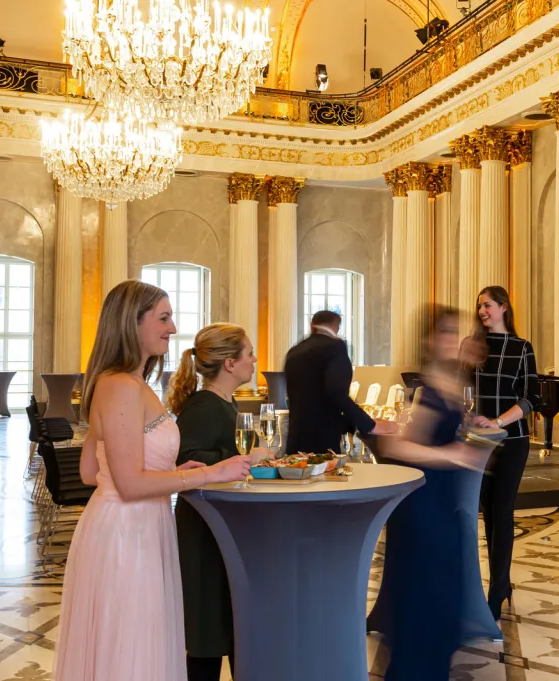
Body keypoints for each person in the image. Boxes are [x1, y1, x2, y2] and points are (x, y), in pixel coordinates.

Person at [53, 281, 250, 681]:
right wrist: (211, 472)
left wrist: (174, 472)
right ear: (132, 322)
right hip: (127, 535)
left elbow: (91, 472)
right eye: (163, 318)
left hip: (132, 526)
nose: (172, 328)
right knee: (131, 651)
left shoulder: (120, 382)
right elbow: (127, 485)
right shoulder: (123, 386)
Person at [376, 305, 493, 681]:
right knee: (427, 597)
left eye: (457, 333)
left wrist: (465, 434)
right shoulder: (427, 387)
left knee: (444, 597)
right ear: (430, 339)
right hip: (423, 507)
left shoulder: (451, 380)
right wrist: (452, 454)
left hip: (442, 503)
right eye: (447, 333)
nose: (454, 341)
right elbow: (397, 447)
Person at [166, 323, 266, 681]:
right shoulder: (204, 406)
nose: (254, 359)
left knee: (227, 623)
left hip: (220, 529)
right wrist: (246, 459)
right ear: (230, 363)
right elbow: (186, 460)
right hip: (203, 533)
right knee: (206, 634)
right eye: (249, 353)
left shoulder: (224, 402)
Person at [466, 285, 541, 619]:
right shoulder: (471, 346)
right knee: (488, 511)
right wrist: (469, 416)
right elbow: (462, 391)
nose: (482, 311)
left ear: (504, 307)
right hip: (478, 442)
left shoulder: (522, 347)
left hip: (512, 440)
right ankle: (501, 582)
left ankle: (497, 589)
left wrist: (497, 421)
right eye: (479, 306)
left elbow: (531, 397)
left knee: (503, 509)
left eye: (488, 305)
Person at [284, 309, 391, 454]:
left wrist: (350, 423)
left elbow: (305, 400)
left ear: (312, 325)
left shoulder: (294, 351)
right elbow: (336, 393)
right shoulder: (335, 347)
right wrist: (368, 424)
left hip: (296, 438)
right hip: (323, 439)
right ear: (337, 326)